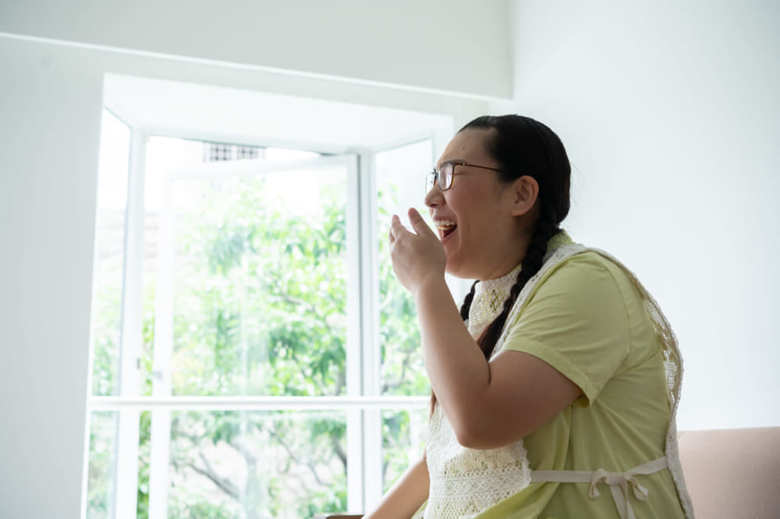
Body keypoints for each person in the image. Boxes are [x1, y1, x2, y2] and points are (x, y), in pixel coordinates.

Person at [366, 115, 694, 519]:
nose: (432, 196)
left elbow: (480, 422)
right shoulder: (492, 297)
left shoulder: (586, 282)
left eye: (451, 174)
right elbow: (442, 458)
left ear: (521, 194)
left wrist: (426, 284)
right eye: (433, 176)